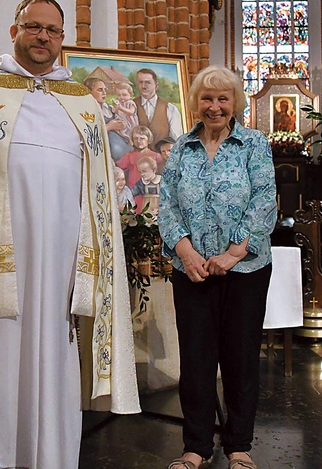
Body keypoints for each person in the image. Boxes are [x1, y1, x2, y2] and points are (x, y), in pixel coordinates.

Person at [0, 0, 140, 469]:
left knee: (55, 361)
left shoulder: (81, 103)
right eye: (33, 27)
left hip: (61, 262)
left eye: (53, 30)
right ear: (14, 30)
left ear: (63, 39)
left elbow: (99, 187)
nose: (43, 37)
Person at [158, 65, 277, 469]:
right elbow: (168, 204)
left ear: (235, 103)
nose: (214, 106)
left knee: (241, 357)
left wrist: (232, 254)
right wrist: (186, 251)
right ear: (196, 103)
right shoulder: (180, 148)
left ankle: (239, 445)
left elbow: (264, 199)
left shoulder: (254, 144)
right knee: (195, 360)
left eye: (222, 98)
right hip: (190, 269)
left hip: (244, 270)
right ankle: (196, 448)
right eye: (207, 99)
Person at [115, 125, 164, 211]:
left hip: (151, 191)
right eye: (135, 138)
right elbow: (117, 167)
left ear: (148, 140)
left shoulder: (156, 156)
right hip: (135, 192)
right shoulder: (129, 156)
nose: (139, 141)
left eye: (142, 138)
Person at [85, 77, 132, 161]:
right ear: (89, 92)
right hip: (102, 151)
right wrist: (109, 127)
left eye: (105, 90)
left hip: (119, 143)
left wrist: (122, 124)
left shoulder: (109, 108)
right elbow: (88, 134)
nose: (104, 93)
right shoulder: (87, 111)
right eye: (100, 90)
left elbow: (121, 120)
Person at [134, 67, 184, 145]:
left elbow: (176, 139)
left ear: (156, 86)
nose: (144, 86)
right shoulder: (130, 106)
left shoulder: (170, 109)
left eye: (148, 82)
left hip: (163, 155)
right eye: (141, 82)